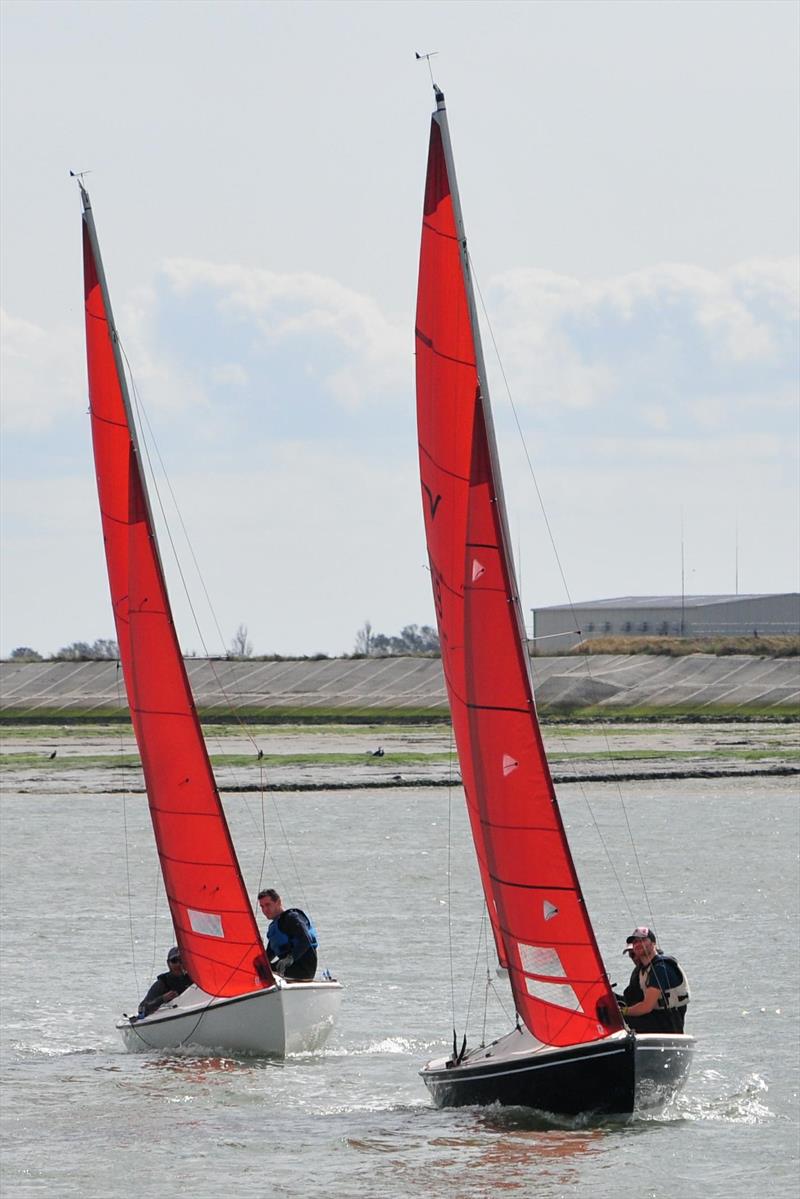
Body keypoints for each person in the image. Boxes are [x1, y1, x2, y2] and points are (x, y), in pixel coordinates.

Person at [617, 926, 690, 1033]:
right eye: (636, 942)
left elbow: (646, 1006)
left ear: (653, 944)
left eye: (643, 940)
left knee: (615, 1016)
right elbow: (631, 999)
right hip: (655, 1018)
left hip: (668, 1023)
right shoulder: (642, 971)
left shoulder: (661, 968)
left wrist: (622, 1011)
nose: (638, 944)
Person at [257, 888, 318, 981]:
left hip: (303, 968)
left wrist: (290, 958)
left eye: (268, 905)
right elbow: (269, 955)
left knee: (263, 974)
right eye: (262, 906)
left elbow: (306, 940)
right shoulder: (274, 928)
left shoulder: (292, 918)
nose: (265, 910)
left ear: (278, 902)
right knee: (258, 970)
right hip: (286, 967)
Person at [137, 947, 193, 1018]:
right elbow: (141, 1008)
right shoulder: (162, 983)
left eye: (182, 961)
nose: (178, 964)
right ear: (168, 963)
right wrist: (162, 999)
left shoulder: (194, 979)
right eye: (174, 961)